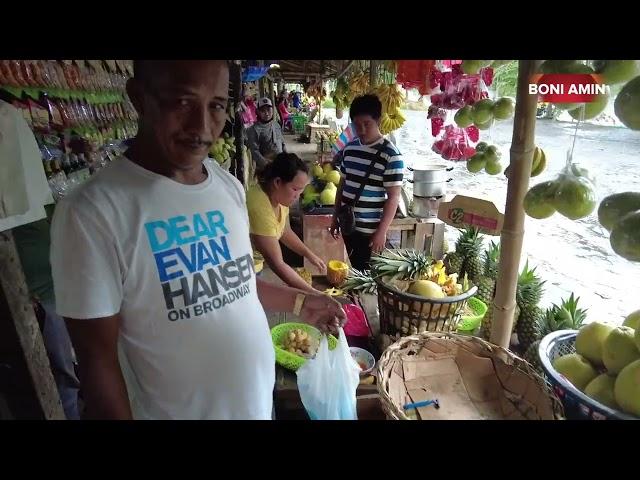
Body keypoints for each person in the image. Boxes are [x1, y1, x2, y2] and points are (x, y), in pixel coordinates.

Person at [49, 60, 345, 420]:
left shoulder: (227, 187)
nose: (202, 127)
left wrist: (301, 303)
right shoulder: (92, 212)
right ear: (139, 98)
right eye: (182, 102)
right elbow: (98, 365)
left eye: (216, 105)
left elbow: (237, 284)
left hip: (255, 407)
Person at [330, 94, 404, 271]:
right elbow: (342, 185)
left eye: (367, 124)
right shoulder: (349, 149)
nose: (361, 130)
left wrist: (382, 231)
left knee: (366, 273)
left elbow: (394, 197)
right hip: (348, 223)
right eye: (357, 125)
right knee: (354, 266)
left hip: (370, 230)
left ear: (378, 120)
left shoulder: (391, 155)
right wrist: (335, 216)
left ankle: (359, 299)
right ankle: (354, 299)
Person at [247, 152, 325, 291]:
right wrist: (314, 293)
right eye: (294, 189)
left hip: (256, 264)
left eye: (300, 191)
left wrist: (309, 254)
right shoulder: (258, 205)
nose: (297, 196)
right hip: (244, 269)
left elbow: (284, 231)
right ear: (277, 182)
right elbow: (277, 264)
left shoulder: (280, 198)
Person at [246, 97, 286, 172]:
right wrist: (266, 164)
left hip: (280, 164)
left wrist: (286, 158)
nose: (266, 113)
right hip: (266, 168)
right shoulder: (254, 129)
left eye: (268, 110)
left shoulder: (276, 125)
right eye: (263, 111)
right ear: (258, 112)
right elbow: (254, 151)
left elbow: (282, 144)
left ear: (272, 110)